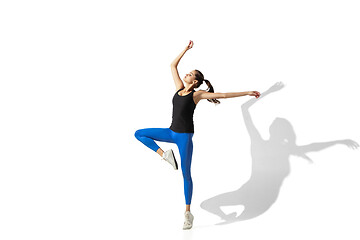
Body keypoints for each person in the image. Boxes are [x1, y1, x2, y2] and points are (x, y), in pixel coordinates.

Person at [134, 40, 261, 230]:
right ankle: (165, 155)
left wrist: (248, 92)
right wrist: (185, 49)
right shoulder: (179, 88)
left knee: (186, 175)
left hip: (184, 137)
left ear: (194, 82)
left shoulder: (197, 94)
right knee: (139, 134)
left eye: (191, 74)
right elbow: (172, 65)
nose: (186, 73)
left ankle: (187, 214)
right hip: (170, 133)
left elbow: (224, 95)